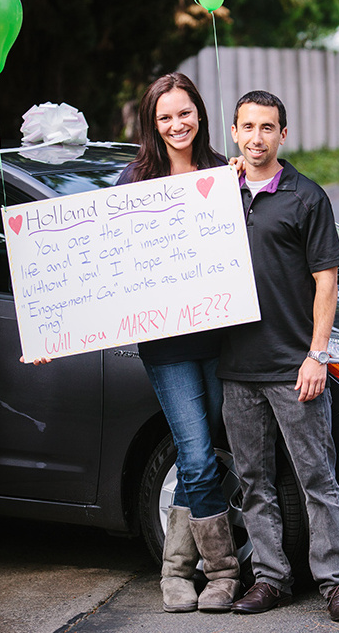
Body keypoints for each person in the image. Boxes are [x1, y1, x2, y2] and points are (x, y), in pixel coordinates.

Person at [218, 90, 339, 622]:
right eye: (247, 127)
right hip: (236, 368)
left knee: (316, 478)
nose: (257, 138)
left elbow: (327, 282)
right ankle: (271, 579)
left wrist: (317, 355)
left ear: (284, 134)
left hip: (293, 366)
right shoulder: (215, 194)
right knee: (254, 481)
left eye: (267, 128)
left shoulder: (307, 197)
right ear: (234, 132)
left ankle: (338, 583)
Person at [116, 72, 240, 614]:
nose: (176, 124)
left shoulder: (222, 172)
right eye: (165, 117)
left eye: (184, 112)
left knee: (205, 448)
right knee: (194, 451)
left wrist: (243, 182)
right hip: (165, 343)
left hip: (221, 333)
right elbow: (108, 265)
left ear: (199, 113)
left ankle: (176, 566)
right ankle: (214, 573)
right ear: (152, 123)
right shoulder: (133, 182)